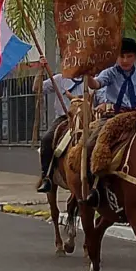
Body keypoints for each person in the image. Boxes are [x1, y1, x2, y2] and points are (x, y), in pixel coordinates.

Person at [84, 37, 136, 206]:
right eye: (121, 56)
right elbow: (95, 84)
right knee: (90, 145)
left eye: (129, 56)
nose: (125, 60)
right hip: (113, 118)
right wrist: (87, 74)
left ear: (135, 57)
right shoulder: (110, 72)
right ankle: (92, 187)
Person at [35, 57, 85, 193]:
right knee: (46, 139)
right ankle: (46, 176)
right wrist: (41, 70)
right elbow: (37, 88)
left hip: (86, 119)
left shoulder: (90, 80)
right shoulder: (58, 79)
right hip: (64, 119)